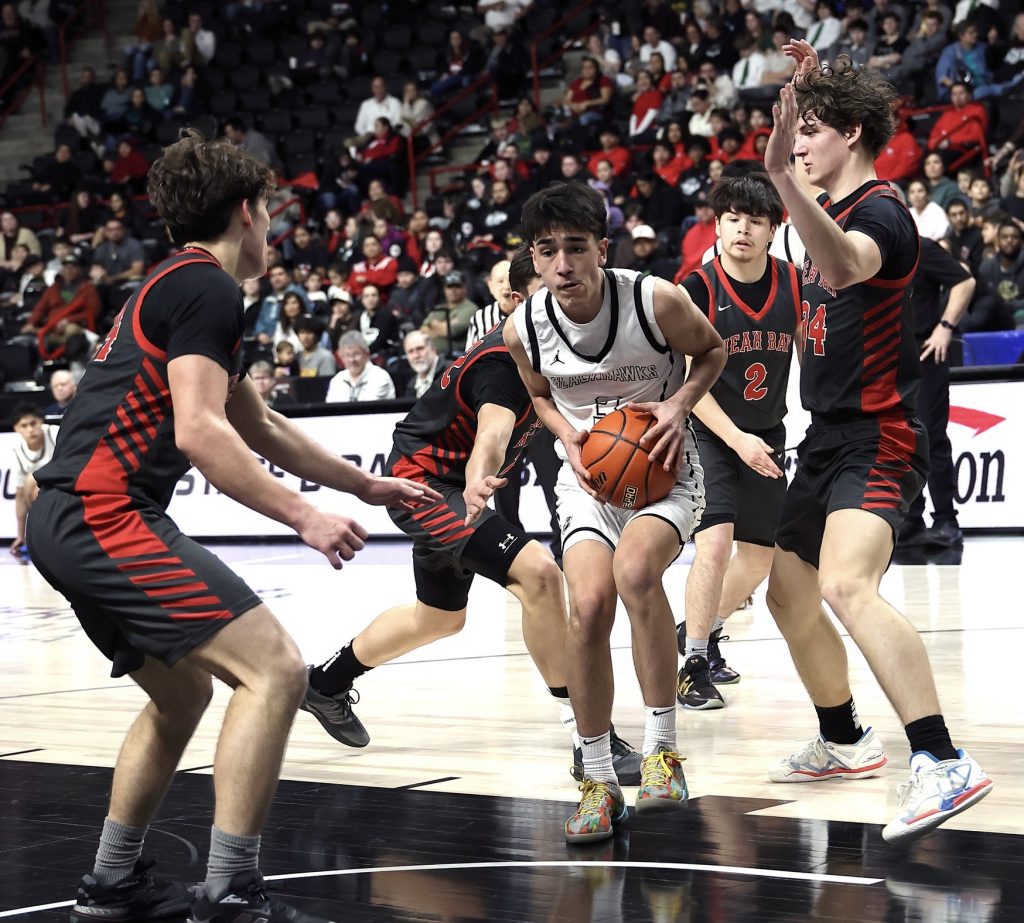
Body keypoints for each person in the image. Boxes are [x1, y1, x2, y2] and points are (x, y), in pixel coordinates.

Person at [25, 129, 438, 921]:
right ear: (248, 212)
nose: (275, 233)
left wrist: (363, 487)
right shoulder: (209, 287)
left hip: (68, 516)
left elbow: (260, 422)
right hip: (99, 512)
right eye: (271, 215)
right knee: (278, 668)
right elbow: (201, 430)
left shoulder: (177, 285)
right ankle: (231, 893)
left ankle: (111, 883)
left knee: (181, 697)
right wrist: (303, 515)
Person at [762, 42, 993, 842]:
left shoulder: (882, 213)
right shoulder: (827, 204)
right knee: (787, 593)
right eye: (797, 131)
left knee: (845, 585)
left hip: (882, 432)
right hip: (824, 437)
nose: (798, 141)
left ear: (853, 135)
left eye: (814, 130)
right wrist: (812, 89)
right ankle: (845, 737)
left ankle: (941, 757)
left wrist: (788, 181)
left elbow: (844, 261)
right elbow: (817, 262)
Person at [301, 252, 642, 784]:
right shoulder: (503, 361)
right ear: (522, 300)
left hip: (442, 481)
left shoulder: (551, 354)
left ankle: (324, 685)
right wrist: (479, 479)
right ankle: (587, 734)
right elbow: (493, 431)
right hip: (426, 486)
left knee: (439, 617)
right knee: (540, 575)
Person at [505, 182, 726, 843]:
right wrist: (563, 432)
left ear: (602, 248)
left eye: (577, 247)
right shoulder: (525, 328)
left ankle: (662, 751)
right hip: (587, 481)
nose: (564, 264)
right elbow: (539, 395)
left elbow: (712, 351)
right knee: (590, 603)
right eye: (549, 251)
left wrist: (680, 403)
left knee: (635, 572)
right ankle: (598, 780)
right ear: (535, 260)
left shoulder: (654, 299)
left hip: (664, 471)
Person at [675, 173, 801, 710]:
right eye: (732, 219)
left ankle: (700, 631)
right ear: (718, 225)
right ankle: (692, 665)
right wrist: (737, 439)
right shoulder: (695, 290)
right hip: (708, 430)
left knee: (761, 555)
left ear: (774, 229)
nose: (742, 229)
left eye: (755, 220)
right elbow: (688, 384)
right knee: (716, 541)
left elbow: (812, 355)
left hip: (767, 432)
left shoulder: (793, 282)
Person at [899, 238, 975, 548]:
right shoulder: (869, 252)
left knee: (931, 436)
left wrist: (945, 326)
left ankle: (946, 519)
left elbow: (964, 281)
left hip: (925, 354)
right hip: (889, 357)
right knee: (900, 440)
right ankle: (912, 518)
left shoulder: (922, 248)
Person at [8, 403, 57, 556]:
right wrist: (20, 535)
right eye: (24, 425)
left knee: (31, 480)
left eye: (33, 423)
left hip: (67, 486)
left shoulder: (55, 434)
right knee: (29, 485)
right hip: (43, 496)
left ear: (41, 421)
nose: (30, 429)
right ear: (16, 429)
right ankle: (43, 535)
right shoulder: (17, 451)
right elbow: (20, 497)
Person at [326, 330, 396, 401]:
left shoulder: (380, 377)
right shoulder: (337, 380)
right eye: (347, 355)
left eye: (356, 354)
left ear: (367, 354)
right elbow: (330, 409)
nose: (352, 360)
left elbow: (368, 409)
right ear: (341, 357)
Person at [401, 328, 447, 398]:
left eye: (420, 348)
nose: (416, 356)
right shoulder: (411, 384)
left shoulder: (450, 372)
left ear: (433, 349)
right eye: (410, 351)